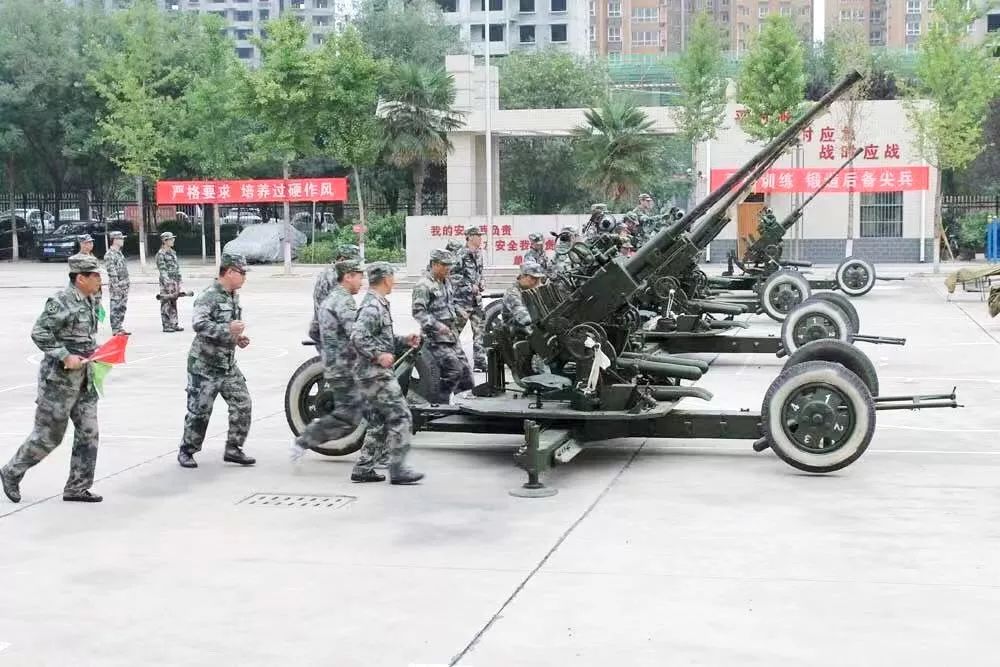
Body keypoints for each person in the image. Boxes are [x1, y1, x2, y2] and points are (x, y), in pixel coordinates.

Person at [0, 255, 105, 503]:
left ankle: (77, 487)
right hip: (59, 381)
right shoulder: (61, 301)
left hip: (85, 379)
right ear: (80, 278)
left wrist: (98, 350)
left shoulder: (90, 299)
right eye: (95, 276)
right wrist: (65, 355)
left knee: (89, 432)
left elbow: (82, 335)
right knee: (49, 436)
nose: (99, 280)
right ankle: (11, 471)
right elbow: (39, 332)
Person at [177, 253, 255, 469]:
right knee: (199, 412)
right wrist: (227, 329)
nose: (244, 277)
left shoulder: (233, 296)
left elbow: (228, 328)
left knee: (242, 403)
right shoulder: (208, 296)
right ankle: (187, 450)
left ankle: (233, 448)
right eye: (242, 273)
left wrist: (237, 339)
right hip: (204, 365)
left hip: (227, 364)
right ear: (229, 272)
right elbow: (199, 325)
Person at [350, 262, 423, 484]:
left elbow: (379, 337)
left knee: (379, 420)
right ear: (386, 279)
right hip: (375, 373)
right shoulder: (373, 306)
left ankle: (363, 468)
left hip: (372, 372)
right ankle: (398, 469)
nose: (395, 281)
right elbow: (357, 337)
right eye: (393, 277)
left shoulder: (378, 303)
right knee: (401, 415)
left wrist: (403, 340)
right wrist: (378, 356)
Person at [291, 259, 367, 462]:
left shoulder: (329, 300)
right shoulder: (344, 302)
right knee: (349, 416)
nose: (362, 282)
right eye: (359, 277)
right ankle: (305, 439)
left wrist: (328, 350)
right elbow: (357, 334)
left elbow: (314, 330)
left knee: (359, 412)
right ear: (348, 277)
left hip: (334, 366)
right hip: (345, 368)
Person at [412, 248, 474, 403]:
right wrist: (437, 325)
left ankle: (466, 405)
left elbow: (449, 303)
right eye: (444, 265)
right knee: (454, 371)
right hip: (434, 339)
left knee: (466, 374)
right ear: (434, 264)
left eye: (449, 265)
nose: (448, 268)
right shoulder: (423, 285)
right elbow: (418, 312)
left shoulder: (446, 281)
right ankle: (440, 403)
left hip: (451, 336)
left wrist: (459, 310)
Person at [502, 261, 550, 375]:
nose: (536, 282)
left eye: (538, 279)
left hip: (530, 325)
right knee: (540, 339)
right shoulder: (512, 293)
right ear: (523, 276)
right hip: (516, 328)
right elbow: (524, 318)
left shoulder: (532, 288)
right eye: (533, 278)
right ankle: (542, 373)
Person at [309, 243, 361, 343]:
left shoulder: (329, 272)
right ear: (342, 259)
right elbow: (340, 305)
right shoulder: (334, 275)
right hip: (330, 329)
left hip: (323, 324)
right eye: (352, 262)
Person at [452, 227, 487, 371]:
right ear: (470, 237)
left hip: (476, 301)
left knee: (479, 332)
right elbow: (453, 275)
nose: (480, 238)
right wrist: (469, 286)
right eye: (478, 236)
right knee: (454, 332)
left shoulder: (479, 254)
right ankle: (450, 362)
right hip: (462, 301)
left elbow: (480, 272)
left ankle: (480, 362)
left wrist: (481, 282)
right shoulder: (460, 254)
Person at [156, 231, 184, 332]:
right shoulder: (161, 254)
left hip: (174, 281)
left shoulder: (172, 252)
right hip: (166, 283)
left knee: (173, 302)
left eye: (173, 238)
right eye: (171, 239)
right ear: (165, 241)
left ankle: (174, 323)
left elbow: (177, 267)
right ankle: (166, 325)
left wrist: (179, 281)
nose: (173, 240)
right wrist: (168, 283)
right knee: (166, 302)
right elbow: (162, 270)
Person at [103, 231, 130, 335]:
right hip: (117, 285)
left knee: (122, 306)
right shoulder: (109, 255)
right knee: (115, 306)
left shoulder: (119, 253)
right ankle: (115, 328)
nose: (122, 240)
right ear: (114, 240)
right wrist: (116, 286)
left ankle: (119, 327)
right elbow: (112, 272)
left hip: (124, 285)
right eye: (120, 239)